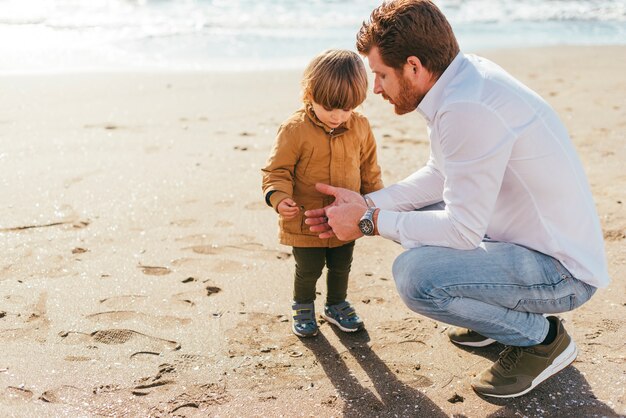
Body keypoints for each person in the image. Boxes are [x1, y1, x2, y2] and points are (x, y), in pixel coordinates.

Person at [304, 0, 609, 398]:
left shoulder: (466, 106)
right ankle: (495, 321)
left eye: (380, 75)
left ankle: (542, 339)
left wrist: (367, 223)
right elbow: (439, 176)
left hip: (562, 272)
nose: (375, 88)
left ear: (413, 66)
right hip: (527, 241)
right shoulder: (461, 80)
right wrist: (368, 204)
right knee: (407, 217)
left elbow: (462, 231)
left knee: (417, 278)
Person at [261, 49, 384, 338]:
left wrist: (377, 205)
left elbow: (370, 171)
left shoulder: (361, 127)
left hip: (347, 219)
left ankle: (336, 304)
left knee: (342, 266)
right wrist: (279, 199)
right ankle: (303, 305)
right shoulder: (295, 129)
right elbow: (276, 171)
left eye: (347, 108)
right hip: (307, 222)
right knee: (309, 269)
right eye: (330, 107)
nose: (338, 116)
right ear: (309, 94)